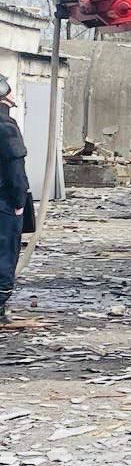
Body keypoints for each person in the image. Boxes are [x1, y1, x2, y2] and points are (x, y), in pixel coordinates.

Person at [0, 76, 29, 321]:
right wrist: (19, 202)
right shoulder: (6, 127)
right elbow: (15, 171)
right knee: (4, 253)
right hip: (4, 203)